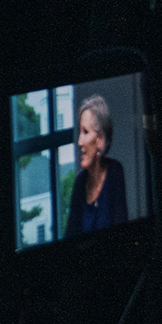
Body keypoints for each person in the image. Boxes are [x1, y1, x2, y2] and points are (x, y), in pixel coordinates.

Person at [61, 91, 131, 236]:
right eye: (80, 132)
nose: (79, 142)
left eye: (85, 132)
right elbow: (70, 236)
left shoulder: (115, 171)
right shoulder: (80, 182)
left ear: (100, 139)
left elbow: (121, 232)